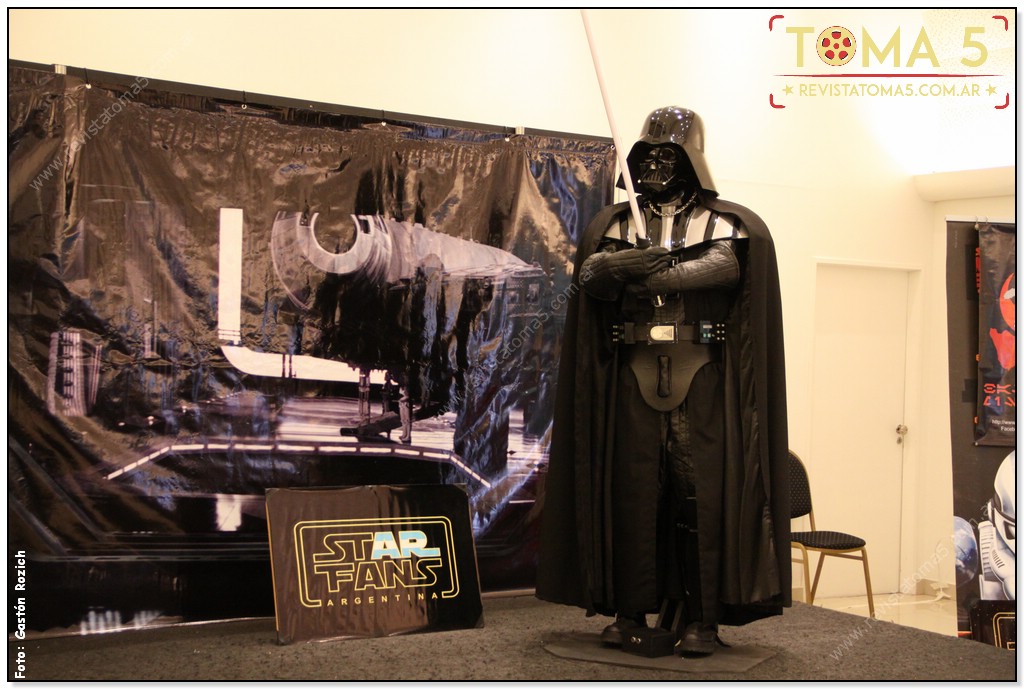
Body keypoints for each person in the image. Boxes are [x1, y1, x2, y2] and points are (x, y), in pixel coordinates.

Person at [536, 106, 790, 657]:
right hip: (632, 373)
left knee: (699, 495)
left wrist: (648, 270)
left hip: (704, 379)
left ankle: (702, 618)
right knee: (632, 491)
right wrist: (620, 266)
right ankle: (629, 613)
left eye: (667, 154)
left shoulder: (728, 222)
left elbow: (725, 267)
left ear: (691, 158)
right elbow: (593, 277)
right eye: (647, 154)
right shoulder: (614, 223)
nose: (654, 164)